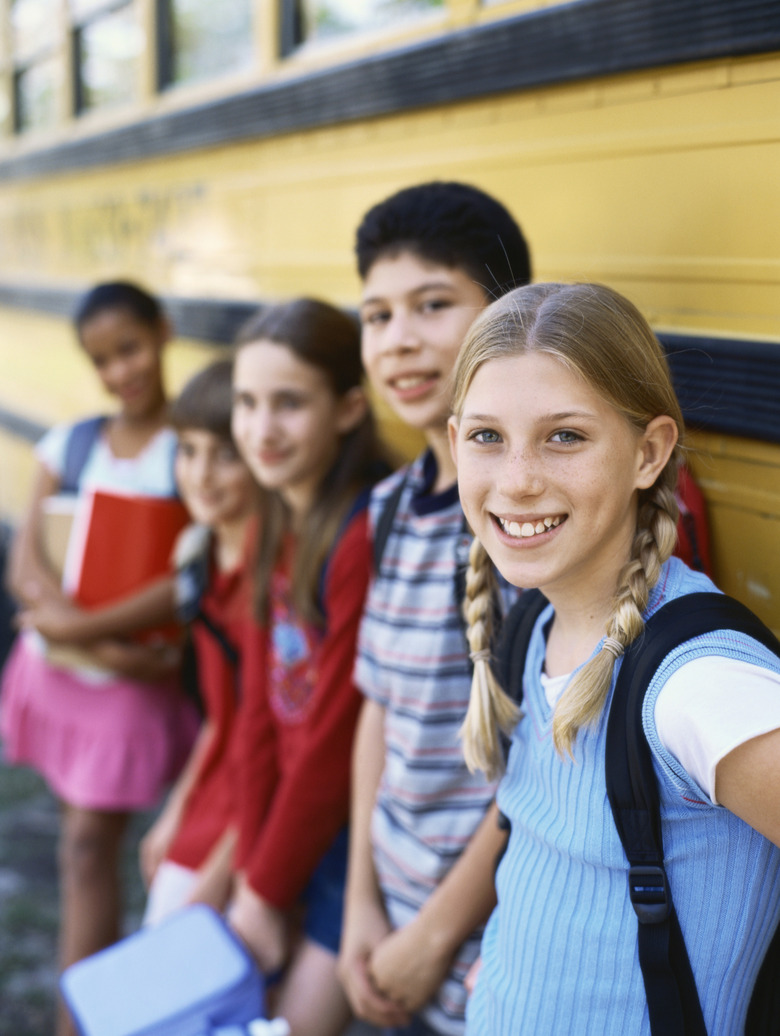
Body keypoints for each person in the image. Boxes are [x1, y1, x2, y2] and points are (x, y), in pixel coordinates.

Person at [448, 281, 780, 1034]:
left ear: (649, 452)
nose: (518, 479)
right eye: (486, 437)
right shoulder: (533, 623)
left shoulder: (698, 687)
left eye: (565, 436)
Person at [338, 180, 532, 1036]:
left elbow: (552, 762)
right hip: (389, 924)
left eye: (432, 304)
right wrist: (358, 906)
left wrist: (433, 937)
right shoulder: (387, 510)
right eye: (377, 315)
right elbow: (377, 709)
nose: (399, 341)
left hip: (495, 952)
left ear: (507, 313)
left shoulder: (532, 516)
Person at [0, 281, 200, 1036]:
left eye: (131, 348)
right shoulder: (72, 442)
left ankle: (74, 1020)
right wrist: (74, 629)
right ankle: (84, 1007)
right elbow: (26, 562)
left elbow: (184, 577)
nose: (122, 371)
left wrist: (78, 628)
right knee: (78, 840)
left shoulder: (191, 450)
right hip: (61, 676)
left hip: (124, 683)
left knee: (89, 842)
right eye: (103, 361)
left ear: (164, 331)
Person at [228, 298, 391, 1036]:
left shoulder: (359, 532)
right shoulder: (272, 519)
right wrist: (255, 870)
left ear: (349, 408)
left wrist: (268, 886)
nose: (261, 430)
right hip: (291, 831)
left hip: (353, 843)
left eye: (288, 404)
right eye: (247, 403)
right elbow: (256, 711)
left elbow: (334, 738)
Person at [139, 358, 263, 925]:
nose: (201, 474)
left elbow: (279, 746)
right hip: (213, 797)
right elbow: (220, 717)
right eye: (187, 451)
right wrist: (174, 814)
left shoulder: (272, 578)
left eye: (224, 454)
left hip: (252, 821)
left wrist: (219, 871)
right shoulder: (201, 558)